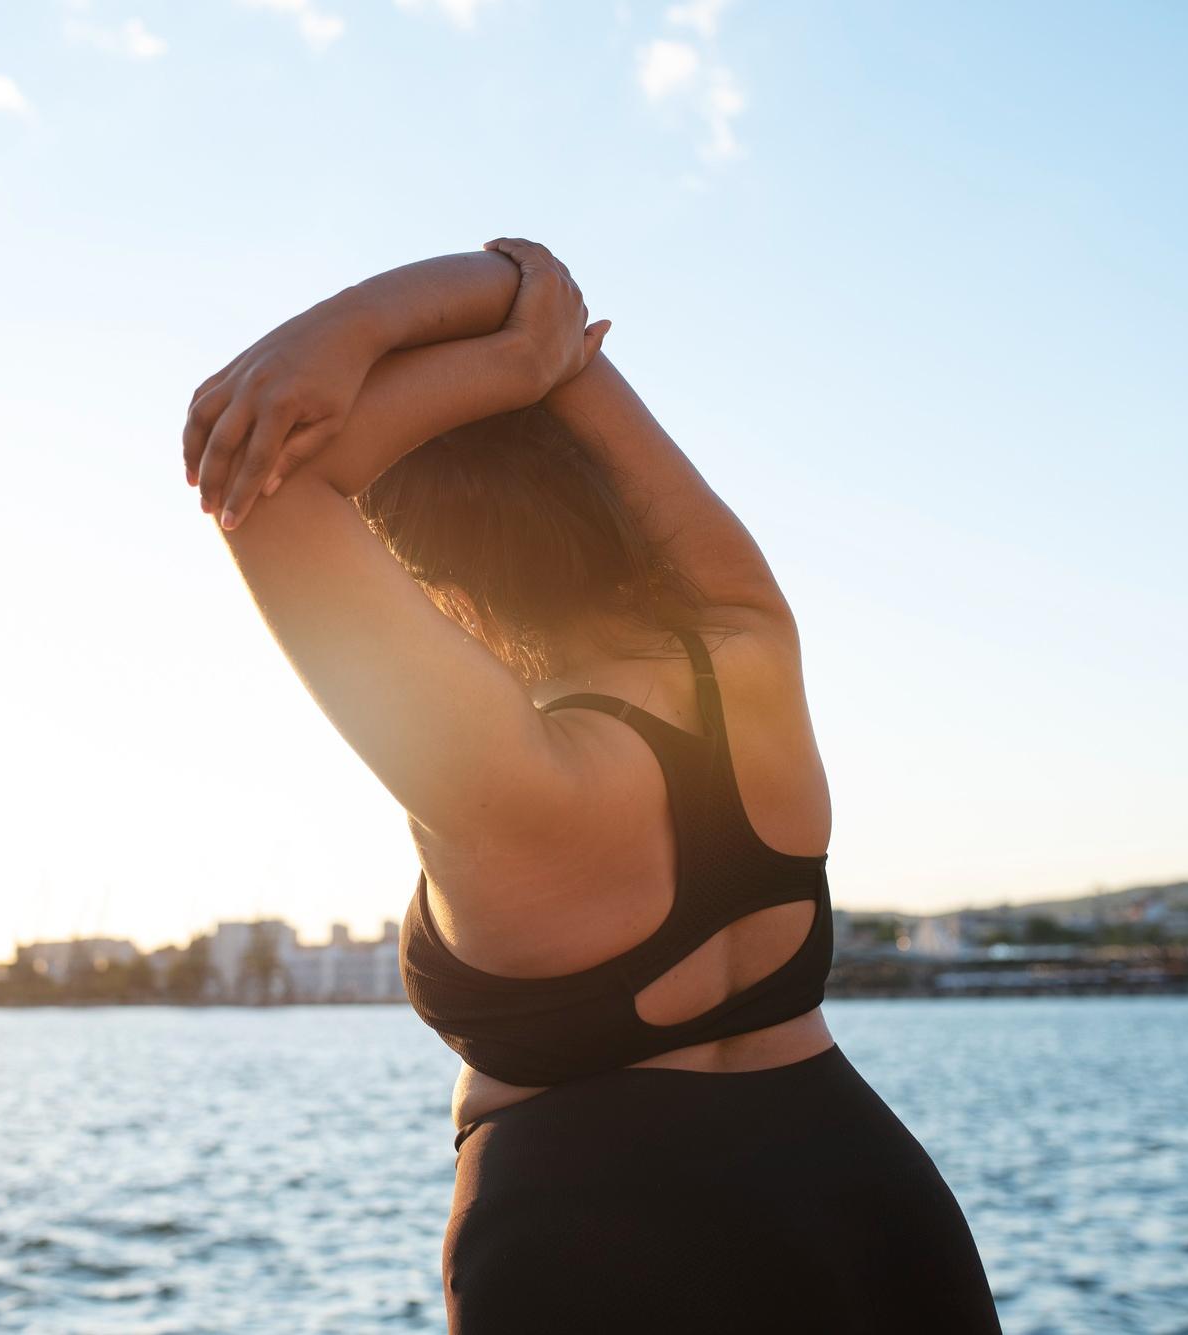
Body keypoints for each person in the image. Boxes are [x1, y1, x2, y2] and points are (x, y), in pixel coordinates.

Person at [181, 239, 1002, 1333]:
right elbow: (555, 315)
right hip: (869, 1213)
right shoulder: (747, 639)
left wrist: (473, 356)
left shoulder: (497, 775)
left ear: (420, 569)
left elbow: (264, 477)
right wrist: (506, 353)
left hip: (600, 1252)